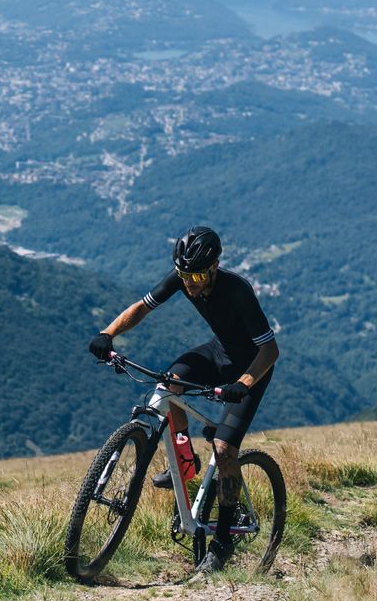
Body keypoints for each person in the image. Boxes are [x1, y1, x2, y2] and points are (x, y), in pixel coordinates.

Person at [88, 226, 279, 573]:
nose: (190, 283)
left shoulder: (237, 291)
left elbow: (270, 349)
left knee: (223, 449)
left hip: (251, 368)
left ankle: (222, 543)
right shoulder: (181, 277)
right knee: (168, 384)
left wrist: (244, 383)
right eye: (184, 274)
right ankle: (185, 459)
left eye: (198, 275)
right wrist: (108, 333)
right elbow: (142, 307)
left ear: (215, 265)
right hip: (218, 353)